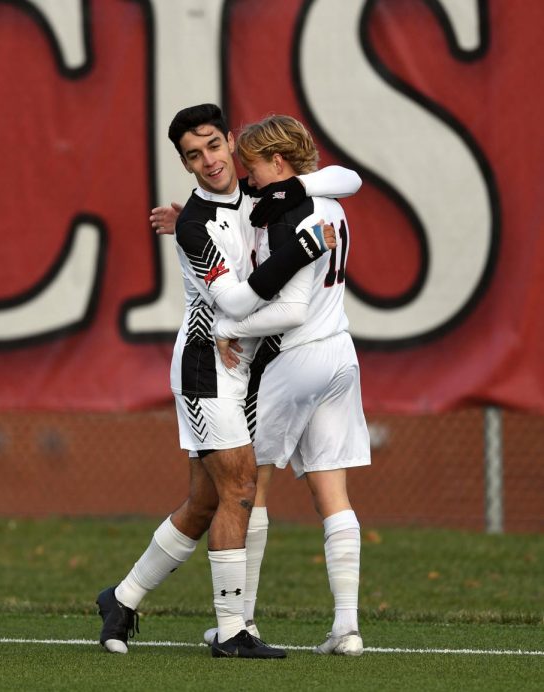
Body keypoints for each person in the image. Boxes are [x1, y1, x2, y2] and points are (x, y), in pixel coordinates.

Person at [96, 104, 361, 658]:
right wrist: (301, 249)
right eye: (194, 154)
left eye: (215, 146)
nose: (209, 160)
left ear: (231, 143)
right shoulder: (193, 226)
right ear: (184, 162)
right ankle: (234, 631)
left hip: (244, 364)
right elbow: (235, 300)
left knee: (202, 502)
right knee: (240, 488)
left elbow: (344, 179)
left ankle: (122, 598)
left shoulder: (256, 193)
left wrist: (298, 185)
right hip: (205, 366)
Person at [204, 114, 371, 656]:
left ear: (278, 163)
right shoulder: (330, 206)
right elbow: (346, 180)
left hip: (295, 359)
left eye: (251, 166)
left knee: (252, 489)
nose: (246, 177)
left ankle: (242, 622)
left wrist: (226, 327)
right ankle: (346, 628)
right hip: (340, 354)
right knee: (333, 493)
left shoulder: (291, 210)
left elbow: (292, 309)